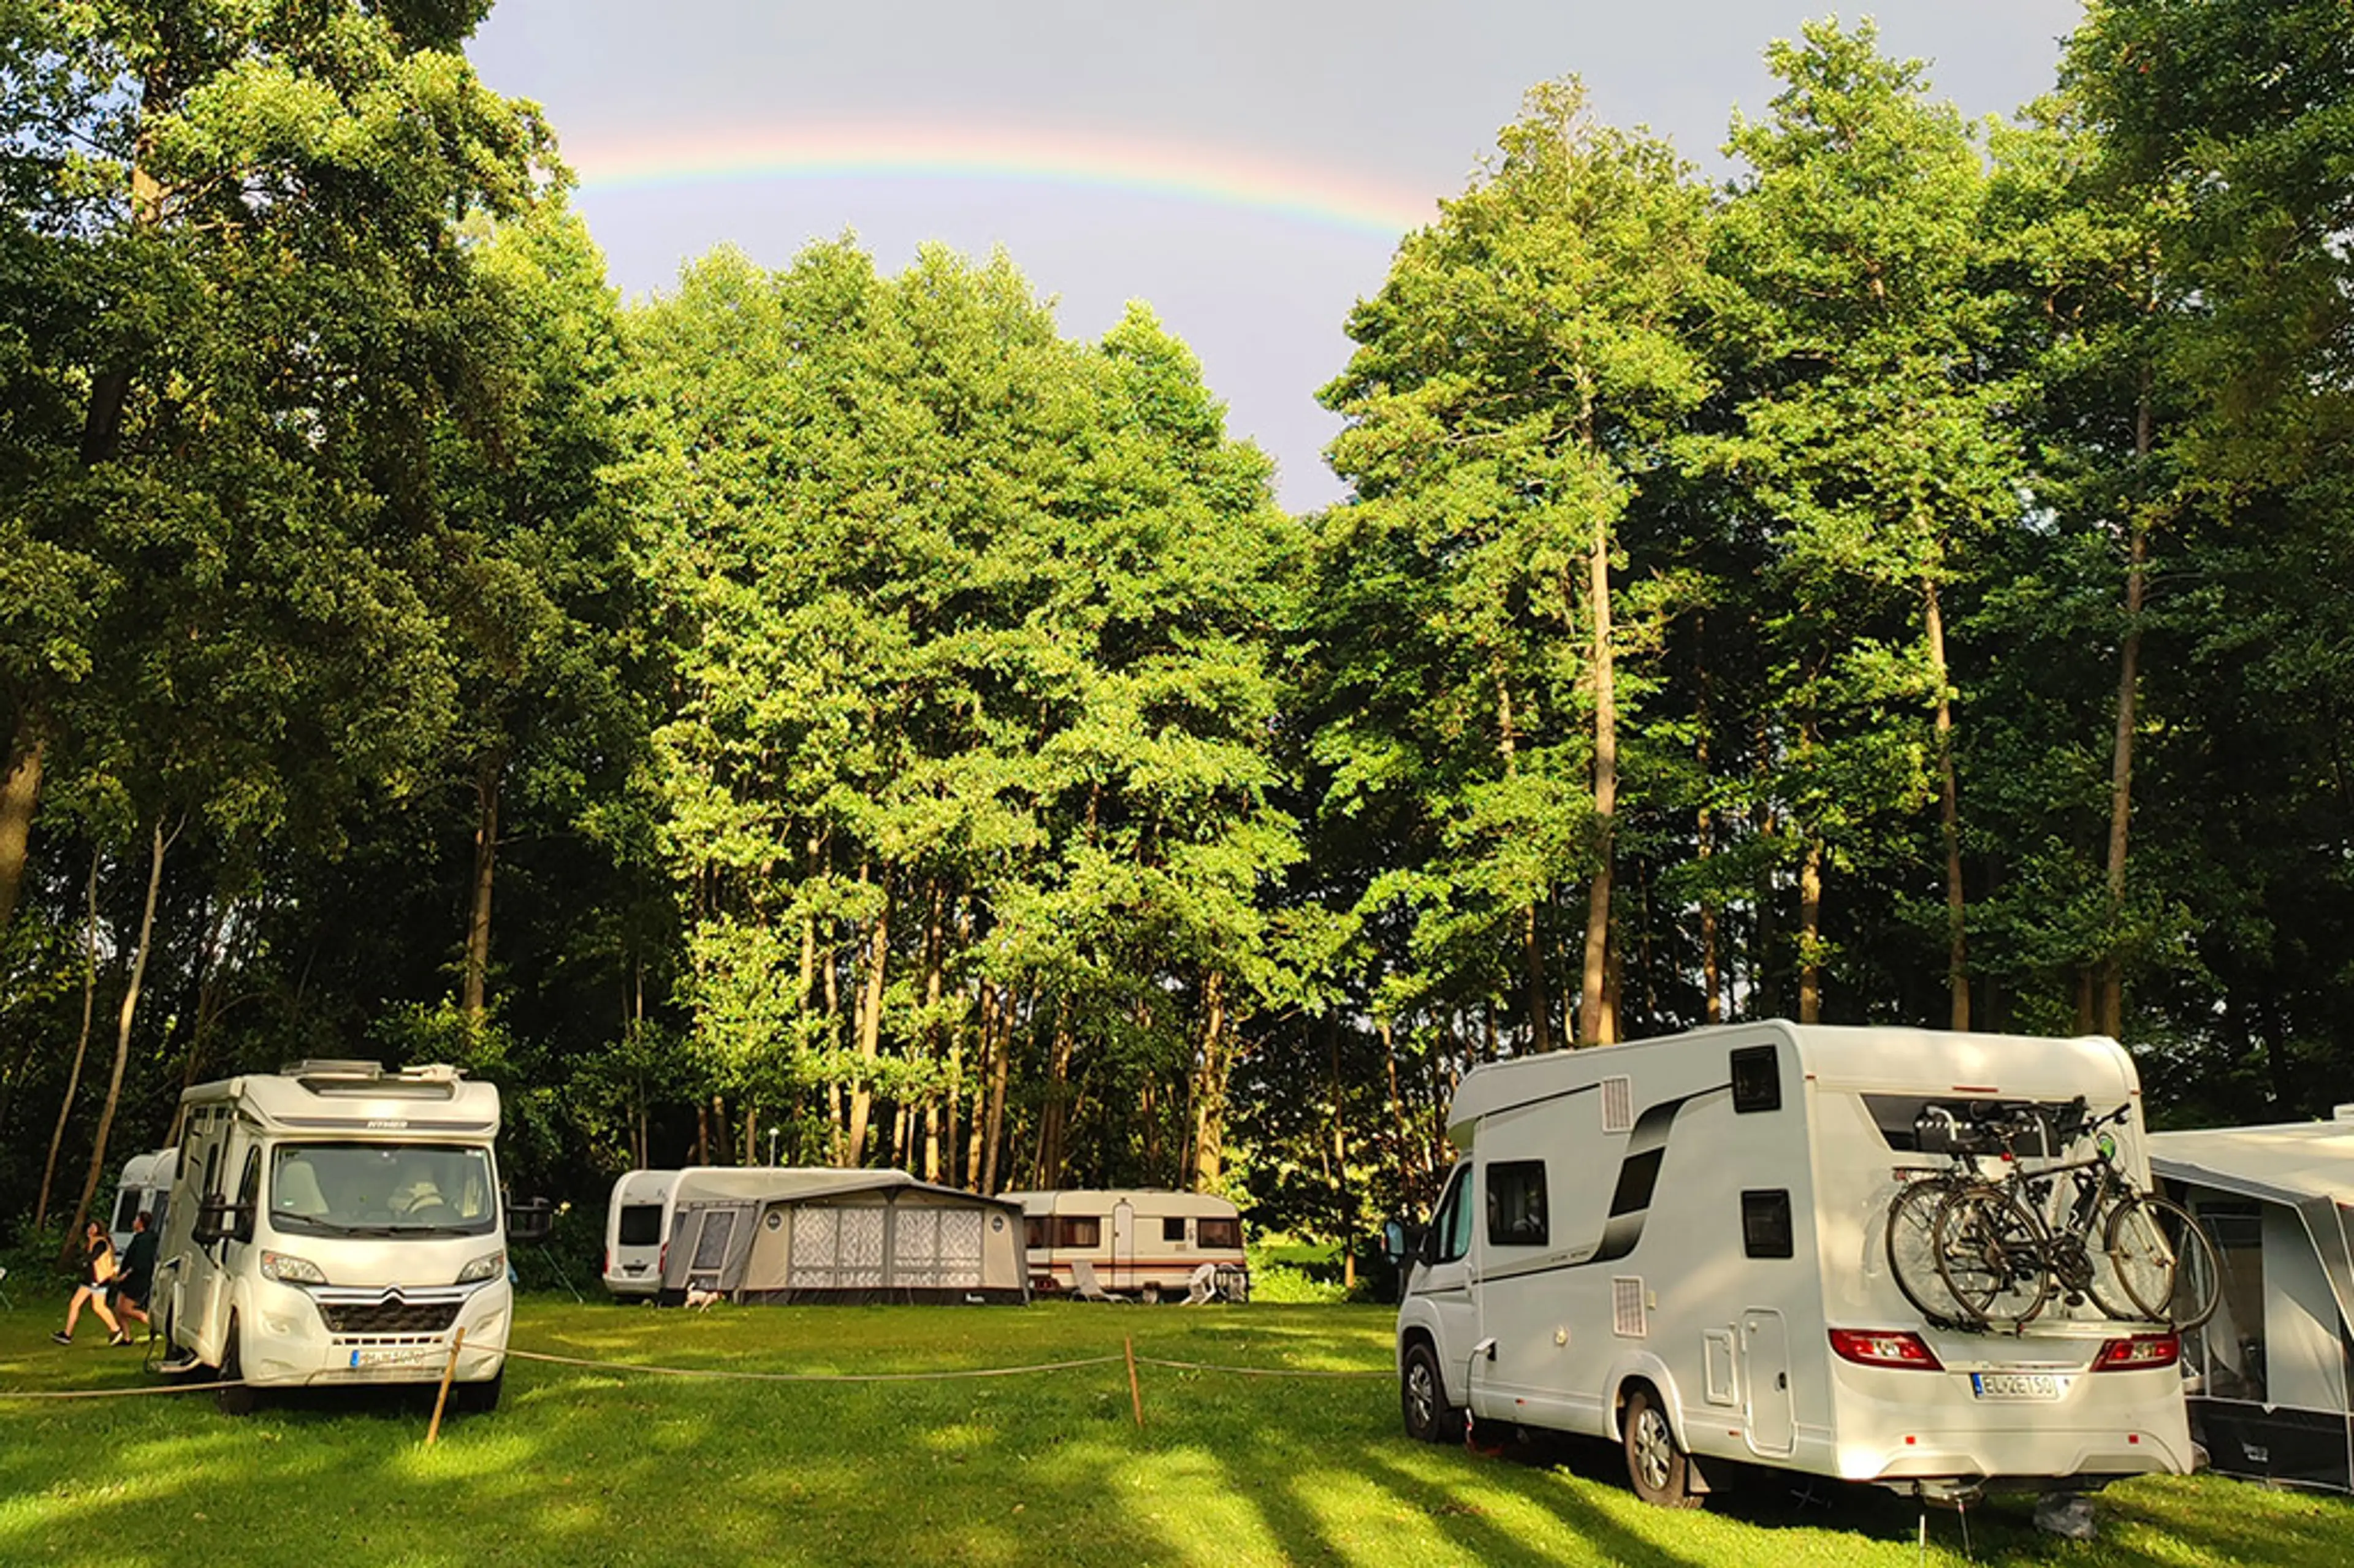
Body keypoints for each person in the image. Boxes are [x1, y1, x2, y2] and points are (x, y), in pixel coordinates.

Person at [53, 1219, 129, 1346]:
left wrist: (83, 1262)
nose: (91, 1230)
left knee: (98, 1307)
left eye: (94, 1227)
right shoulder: (92, 1243)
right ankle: (67, 1334)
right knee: (75, 1304)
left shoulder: (101, 1243)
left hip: (98, 1280)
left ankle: (116, 1329)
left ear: (99, 1229)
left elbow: (94, 1258)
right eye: (89, 1227)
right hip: (90, 1280)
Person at [109, 1210, 158, 1334]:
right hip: (129, 1279)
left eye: (136, 1220)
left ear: (141, 1223)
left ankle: (152, 1322)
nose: (133, 1222)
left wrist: (125, 1274)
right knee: (119, 1309)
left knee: (126, 1309)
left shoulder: (145, 1241)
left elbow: (139, 1262)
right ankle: (126, 1337)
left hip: (137, 1279)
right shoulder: (138, 1238)